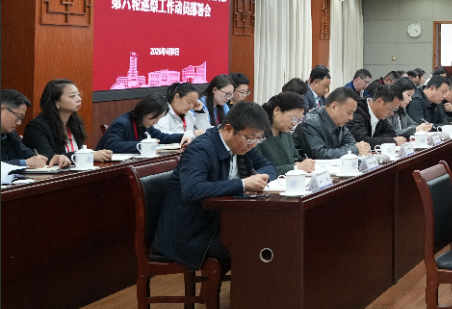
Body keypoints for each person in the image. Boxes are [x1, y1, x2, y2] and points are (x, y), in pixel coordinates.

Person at [151, 103, 277, 270]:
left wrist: (260, 179)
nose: (253, 144)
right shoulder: (201, 149)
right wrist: (242, 184)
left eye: (258, 139)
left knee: (271, 237)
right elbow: (192, 190)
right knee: (251, 248)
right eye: (249, 138)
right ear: (228, 129)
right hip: (191, 233)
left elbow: (268, 166)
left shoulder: (242, 147)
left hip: (220, 222)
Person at [23, 79, 112, 164]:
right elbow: (48, 158)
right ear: (56, 102)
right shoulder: (36, 127)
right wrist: (88, 155)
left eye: (78, 94)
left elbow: (79, 151)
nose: (79, 99)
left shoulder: (76, 122)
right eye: (72, 96)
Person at [97, 93, 192, 154]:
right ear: (144, 111)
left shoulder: (143, 123)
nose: (156, 122)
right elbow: (113, 145)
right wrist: (143, 145)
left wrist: (181, 137)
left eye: (159, 118)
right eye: (154, 117)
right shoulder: (122, 123)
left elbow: (160, 137)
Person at [294, 86, 370, 159]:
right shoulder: (310, 124)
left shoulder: (340, 123)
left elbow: (352, 144)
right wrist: (355, 150)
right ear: (334, 107)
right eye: (349, 112)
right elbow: (320, 155)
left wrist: (360, 148)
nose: (351, 118)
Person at [2, 89, 68, 168]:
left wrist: (52, 158)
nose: (19, 123)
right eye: (18, 117)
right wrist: (25, 163)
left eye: (21, 118)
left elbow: (27, 154)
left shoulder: (10, 134)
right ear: (2, 110)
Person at [257, 92, 316, 176]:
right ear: (277, 111)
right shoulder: (258, 135)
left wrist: (300, 164)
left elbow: (295, 155)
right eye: (294, 118)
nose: (295, 123)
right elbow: (259, 170)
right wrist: (295, 167)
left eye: (299, 120)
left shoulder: (285, 131)